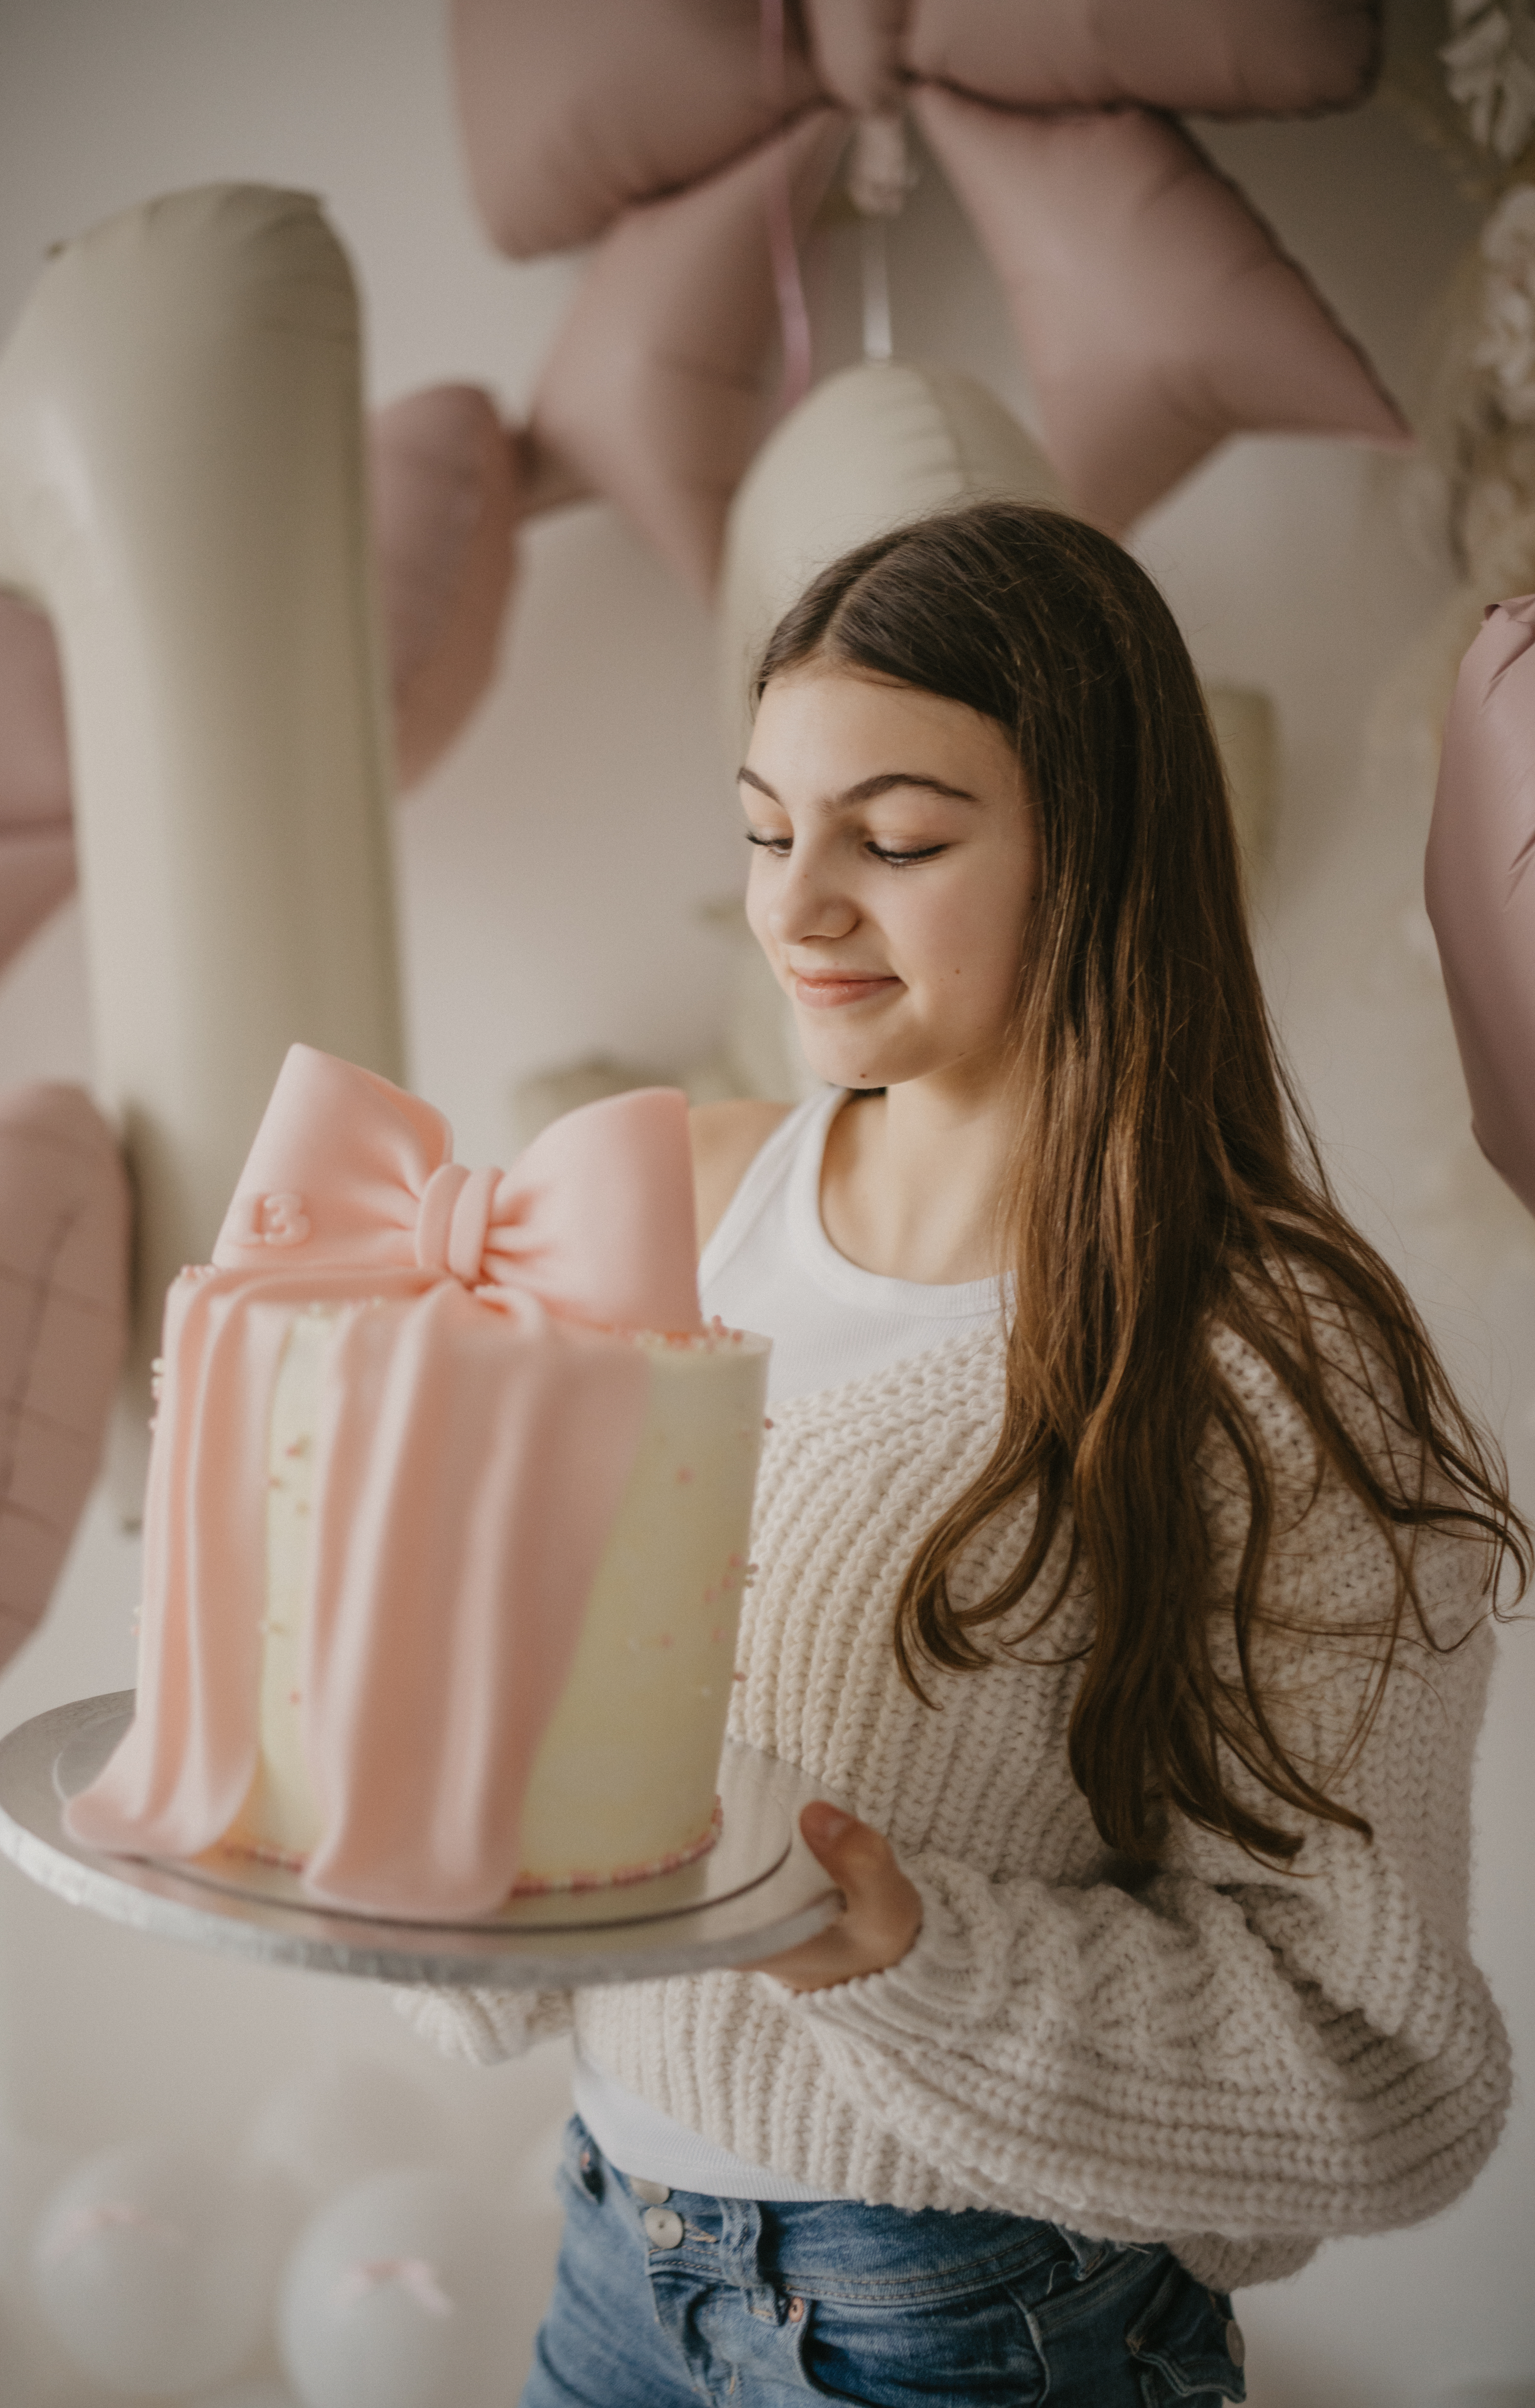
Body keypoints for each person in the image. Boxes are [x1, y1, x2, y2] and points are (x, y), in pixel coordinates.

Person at [398, 503, 1522, 2406]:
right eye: (765, 829)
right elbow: (537, 1775)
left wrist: (903, 1949)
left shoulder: (1262, 1371)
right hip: (612, 2258)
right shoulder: (670, 1189)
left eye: (896, 841)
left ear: (1095, 852)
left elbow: (1375, 2061)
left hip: (974, 2329)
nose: (798, 906)